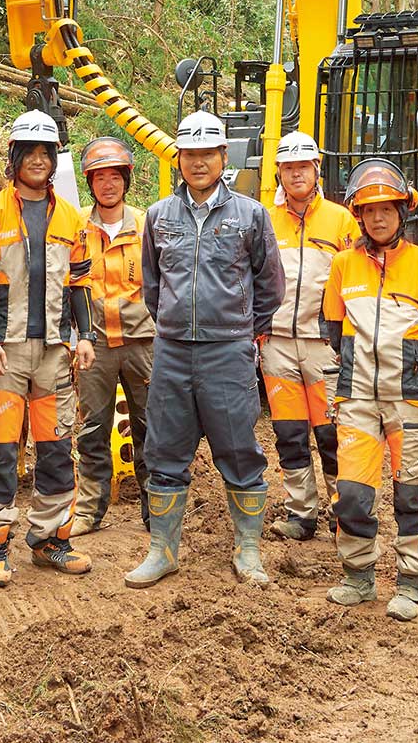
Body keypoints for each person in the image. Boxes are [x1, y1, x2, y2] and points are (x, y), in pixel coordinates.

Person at [125, 110, 284, 590]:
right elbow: (152, 286)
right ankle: (162, 551)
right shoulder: (158, 216)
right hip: (172, 352)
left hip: (228, 352)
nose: (198, 163)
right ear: (179, 160)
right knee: (164, 449)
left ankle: (248, 551)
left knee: (239, 449)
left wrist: (237, 330)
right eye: (189, 155)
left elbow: (270, 286)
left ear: (222, 157)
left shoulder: (250, 215)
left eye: (207, 154)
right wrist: (176, 323)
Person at [0, 110, 96, 586]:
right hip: (6, 350)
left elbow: (79, 282)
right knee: (0, 449)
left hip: (56, 351)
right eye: (30, 152)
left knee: (57, 447)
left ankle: (51, 539)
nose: (38, 160)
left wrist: (86, 336)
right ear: (15, 158)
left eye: (47, 153)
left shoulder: (70, 216)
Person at [320, 160, 418, 621]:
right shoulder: (343, 265)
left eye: (387, 209)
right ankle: (358, 577)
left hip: (411, 397)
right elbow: (332, 325)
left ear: (403, 211)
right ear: (358, 216)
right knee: (353, 492)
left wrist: (411, 368)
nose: (379, 218)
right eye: (369, 210)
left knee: (411, 494)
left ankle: (411, 582)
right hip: (357, 394)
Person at [261, 131, 358, 541]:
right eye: (289, 167)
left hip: (324, 345)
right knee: (290, 434)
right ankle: (301, 514)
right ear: (279, 172)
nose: (296, 174)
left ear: (317, 169)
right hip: (278, 342)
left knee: (332, 433)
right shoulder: (264, 219)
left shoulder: (341, 220)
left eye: (304, 166)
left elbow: (360, 278)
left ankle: (344, 515)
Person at [68, 135, 153, 537]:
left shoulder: (146, 224)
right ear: (90, 182)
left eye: (114, 177)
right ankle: (89, 510)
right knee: (92, 428)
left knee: (150, 427)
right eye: (99, 178)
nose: (108, 185)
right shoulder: (76, 226)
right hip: (94, 344)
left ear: (126, 180)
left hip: (143, 343)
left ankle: (158, 510)